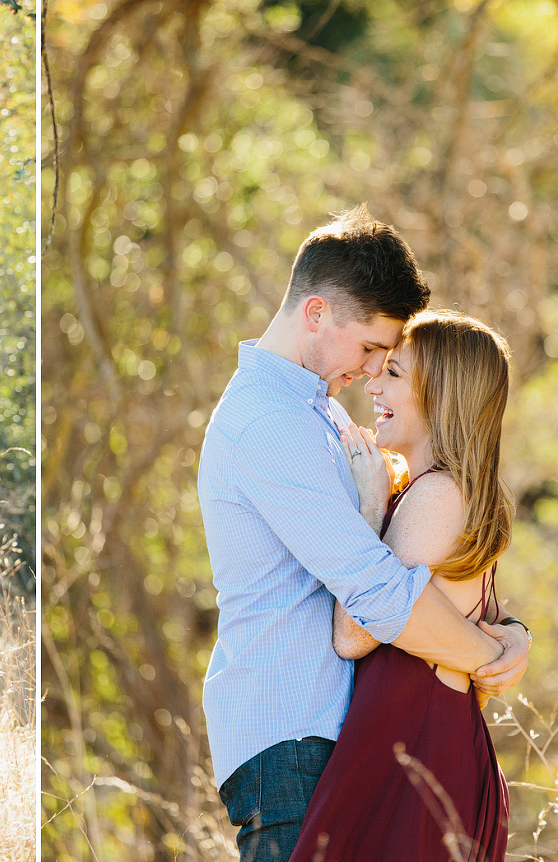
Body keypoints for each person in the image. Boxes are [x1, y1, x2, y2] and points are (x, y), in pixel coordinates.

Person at [198, 208, 531, 862]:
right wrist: (488, 657)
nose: (371, 370)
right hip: (292, 736)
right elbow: (375, 593)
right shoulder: (270, 424)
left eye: (387, 360)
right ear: (316, 314)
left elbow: (423, 567)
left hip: (328, 737)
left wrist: (507, 627)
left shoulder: (312, 412)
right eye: (370, 349)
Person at [287, 310, 514, 861]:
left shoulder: (437, 496)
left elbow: (352, 633)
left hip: (415, 755)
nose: (373, 382)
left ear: (440, 395)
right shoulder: (440, 492)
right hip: (416, 748)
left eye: (395, 373)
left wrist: (367, 508)